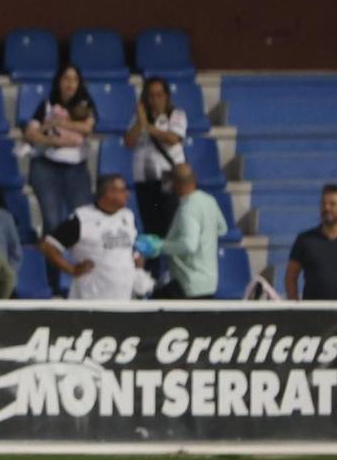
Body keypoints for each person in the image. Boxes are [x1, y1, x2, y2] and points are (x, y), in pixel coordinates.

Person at [42, 173, 143, 302]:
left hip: (124, 295)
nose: (127, 194)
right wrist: (72, 269)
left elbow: (126, 246)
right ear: (109, 193)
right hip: (92, 296)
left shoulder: (128, 216)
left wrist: (136, 257)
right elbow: (48, 246)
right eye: (123, 190)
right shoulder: (82, 219)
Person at [23, 64, 97, 234]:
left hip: (76, 169)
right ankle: (53, 260)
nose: (70, 83)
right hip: (47, 166)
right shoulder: (47, 105)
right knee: (52, 221)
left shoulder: (86, 106)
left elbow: (87, 128)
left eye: (74, 79)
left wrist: (60, 123)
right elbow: (30, 133)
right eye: (66, 78)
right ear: (58, 82)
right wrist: (52, 141)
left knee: (81, 219)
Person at [124, 77, 188, 238]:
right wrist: (140, 121)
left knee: (170, 224)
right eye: (152, 96)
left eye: (160, 95)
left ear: (166, 96)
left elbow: (173, 138)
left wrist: (147, 125)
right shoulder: (137, 119)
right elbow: (129, 142)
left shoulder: (176, 115)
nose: (156, 99)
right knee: (151, 227)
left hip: (168, 175)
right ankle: (151, 263)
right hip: (144, 178)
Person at [155, 164, 227, 299]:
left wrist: (161, 246)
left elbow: (189, 245)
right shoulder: (209, 200)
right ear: (194, 179)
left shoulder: (187, 208)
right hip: (210, 282)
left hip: (190, 284)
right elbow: (222, 229)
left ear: (175, 183)